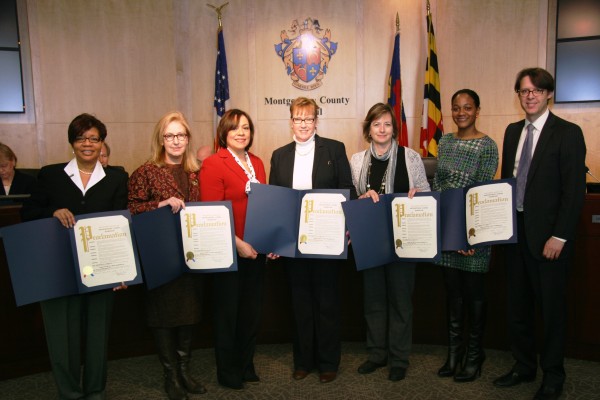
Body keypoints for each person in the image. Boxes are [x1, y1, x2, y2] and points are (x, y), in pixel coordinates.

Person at [20, 113, 129, 400]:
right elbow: (27, 213)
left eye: (94, 138)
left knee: (97, 335)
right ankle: (69, 392)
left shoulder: (117, 177)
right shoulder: (50, 175)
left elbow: (121, 224)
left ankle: (95, 390)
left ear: (101, 142)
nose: (87, 144)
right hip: (58, 269)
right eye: (81, 138)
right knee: (61, 336)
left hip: (101, 268)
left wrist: (121, 272)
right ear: (72, 142)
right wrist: (52, 212)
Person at [493, 68, 586, 400]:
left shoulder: (568, 133)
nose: (529, 96)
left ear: (548, 94)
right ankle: (523, 366)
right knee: (517, 307)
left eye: (535, 90)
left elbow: (574, 191)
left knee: (551, 310)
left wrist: (559, 236)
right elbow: (508, 183)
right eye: (523, 91)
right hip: (515, 235)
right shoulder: (512, 131)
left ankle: (553, 374)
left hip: (548, 240)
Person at [269, 97, 357, 384]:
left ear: (316, 121)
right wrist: (275, 239)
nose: (303, 124)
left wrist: (347, 227)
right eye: (298, 118)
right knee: (300, 304)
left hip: (327, 240)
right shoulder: (279, 155)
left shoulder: (334, 148)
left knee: (327, 303)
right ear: (291, 121)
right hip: (293, 244)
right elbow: (275, 201)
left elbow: (348, 190)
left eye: (308, 119)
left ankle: (328, 362)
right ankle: (303, 361)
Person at [128, 111, 206, 400]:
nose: (176, 141)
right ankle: (170, 374)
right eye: (170, 135)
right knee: (162, 314)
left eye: (181, 135)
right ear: (161, 139)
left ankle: (185, 370)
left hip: (192, 255)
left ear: (188, 139)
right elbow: (132, 211)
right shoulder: (145, 171)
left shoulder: (195, 172)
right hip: (160, 257)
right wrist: (161, 203)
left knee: (189, 312)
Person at [350, 103, 430, 381]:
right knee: (373, 300)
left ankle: (398, 358)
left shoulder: (411, 157)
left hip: (403, 239)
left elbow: (427, 194)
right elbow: (351, 198)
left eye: (387, 124)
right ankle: (376, 354)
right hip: (370, 239)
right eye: (376, 124)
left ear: (394, 129)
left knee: (400, 301)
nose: (382, 129)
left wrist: (417, 193)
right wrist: (359, 199)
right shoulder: (357, 160)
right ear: (368, 129)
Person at [200, 109, 275, 390]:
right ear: (224, 133)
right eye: (235, 128)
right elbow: (212, 213)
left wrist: (269, 240)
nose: (241, 133)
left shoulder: (257, 162)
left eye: (246, 127)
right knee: (227, 313)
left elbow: (266, 205)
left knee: (250, 312)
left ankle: (246, 363)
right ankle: (227, 369)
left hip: (256, 250)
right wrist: (238, 244)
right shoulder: (213, 163)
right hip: (229, 250)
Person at [432, 90, 499, 382]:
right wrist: (448, 230)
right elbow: (438, 185)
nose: (461, 113)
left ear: (477, 110)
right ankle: (454, 354)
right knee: (453, 296)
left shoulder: (488, 145)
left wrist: (469, 236)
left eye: (467, 107)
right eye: (456, 108)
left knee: (474, 297)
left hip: (474, 235)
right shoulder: (444, 141)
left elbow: (481, 193)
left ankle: (474, 355)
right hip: (448, 231)